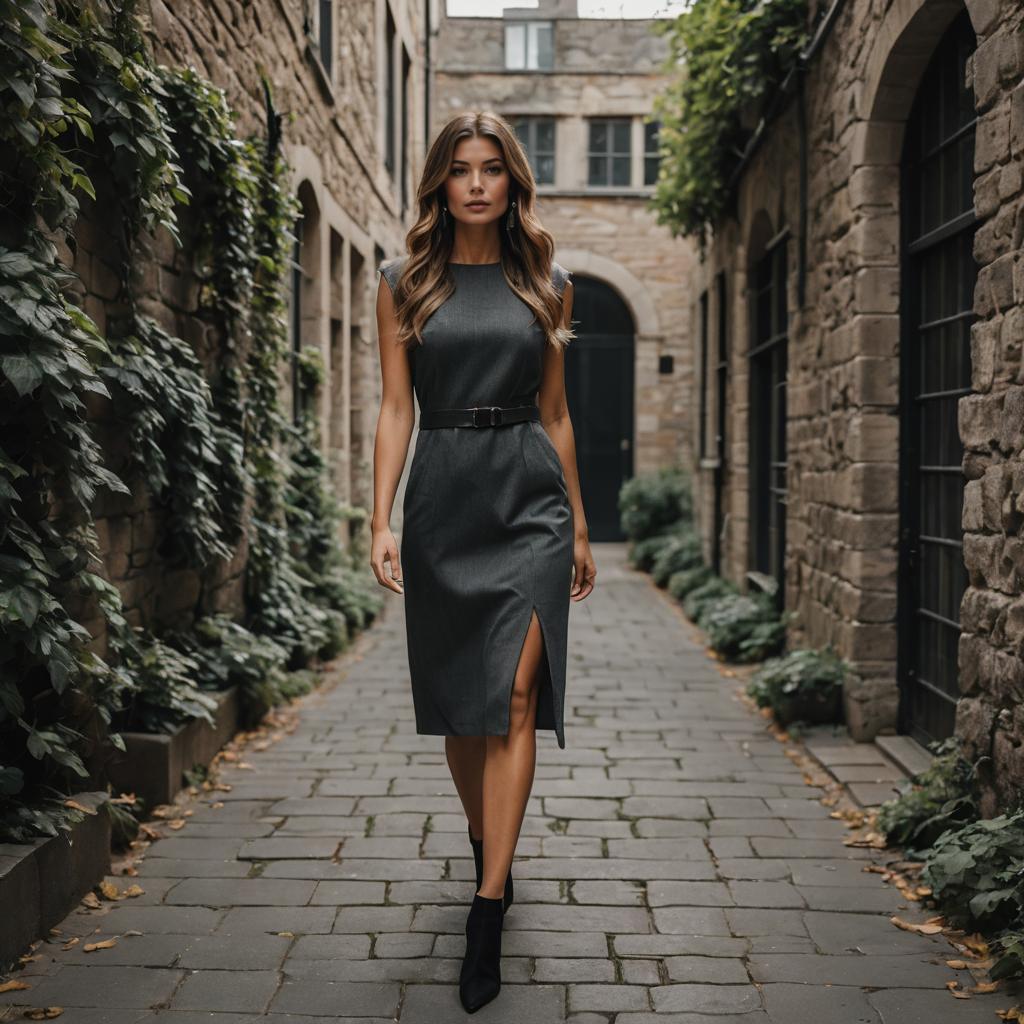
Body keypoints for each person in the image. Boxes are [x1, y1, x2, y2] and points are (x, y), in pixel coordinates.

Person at [370, 110, 596, 1013]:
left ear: (512, 183)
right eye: (459, 168)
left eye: (491, 168)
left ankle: (488, 908)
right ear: (440, 182)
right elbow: (394, 410)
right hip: (442, 502)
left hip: (529, 500)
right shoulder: (403, 282)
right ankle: (486, 840)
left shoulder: (549, 281)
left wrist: (576, 523)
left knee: (512, 696)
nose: (474, 183)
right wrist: (378, 520)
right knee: (466, 708)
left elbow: (558, 411)